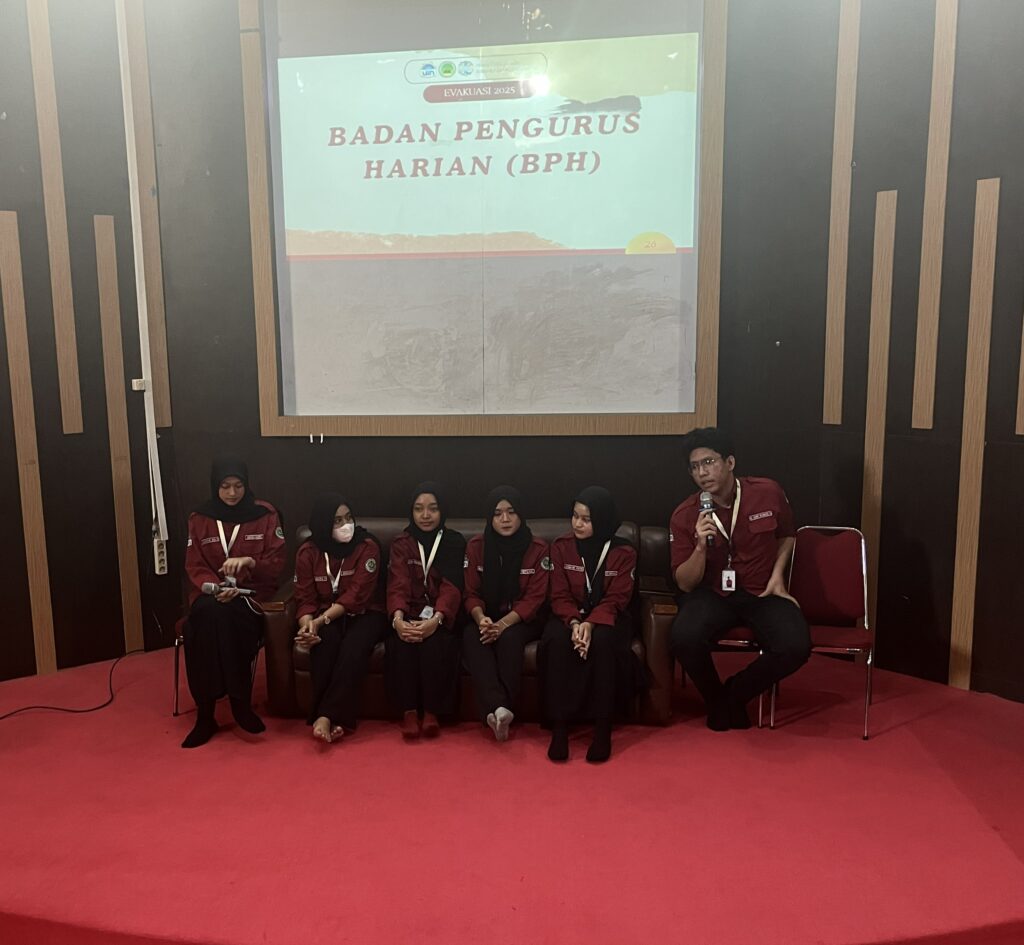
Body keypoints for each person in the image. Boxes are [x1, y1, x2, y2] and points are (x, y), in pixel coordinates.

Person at [669, 427, 811, 731]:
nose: (702, 473)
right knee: (683, 637)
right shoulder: (685, 514)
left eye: (709, 462)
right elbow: (684, 583)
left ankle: (734, 694)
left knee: (795, 646)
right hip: (713, 593)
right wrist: (699, 546)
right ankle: (715, 699)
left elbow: (787, 534)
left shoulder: (767, 492)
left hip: (762, 589)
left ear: (730, 462)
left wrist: (778, 576)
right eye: (695, 467)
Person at [181, 457, 286, 748]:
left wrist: (250, 562)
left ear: (246, 485)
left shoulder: (265, 514)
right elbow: (194, 565)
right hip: (209, 595)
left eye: (238, 486)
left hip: (250, 595)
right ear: (215, 486)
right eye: (225, 486)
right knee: (205, 619)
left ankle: (220, 708)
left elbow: (276, 562)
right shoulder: (199, 518)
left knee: (216, 620)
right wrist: (215, 589)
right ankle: (222, 709)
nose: (232, 493)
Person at [540, 486, 637, 764]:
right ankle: (559, 727)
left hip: (608, 617)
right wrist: (574, 623)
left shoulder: (624, 551)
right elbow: (558, 595)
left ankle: (602, 728)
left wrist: (591, 624)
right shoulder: (561, 547)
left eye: (586, 519)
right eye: (575, 516)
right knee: (556, 640)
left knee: (604, 642)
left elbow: (618, 598)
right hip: (568, 616)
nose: (577, 524)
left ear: (603, 520)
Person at [293, 494, 387, 744]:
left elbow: (357, 595)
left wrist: (320, 620)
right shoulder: (308, 552)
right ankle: (334, 718)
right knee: (324, 644)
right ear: (323, 523)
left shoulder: (367, 547)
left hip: (367, 613)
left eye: (348, 518)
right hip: (326, 616)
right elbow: (304, 598)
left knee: (353, 649)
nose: (346, 525)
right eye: (337, 521)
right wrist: (307, 626)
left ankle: (324, 715)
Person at [462, 486, 550, 741]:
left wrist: (501, 626)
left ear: (521, 515)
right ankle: (499, 708)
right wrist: (482, 619)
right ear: (489, 517)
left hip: (524, 619)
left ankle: (501, 708)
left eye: (511, 512)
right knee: (472, 635)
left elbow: (534, 599)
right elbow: (470, 593)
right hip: (487, 616)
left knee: (510, 638)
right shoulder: (477, 546)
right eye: (498, 513)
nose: (505, 519)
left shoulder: (538, 548)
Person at [385, 482, 466, 740]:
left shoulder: (453, 542)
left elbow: (452, 587)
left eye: (433, 508)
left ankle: (432, 712)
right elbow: (397, 583)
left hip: (441, 614)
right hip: (409, 611)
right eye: (419, 509)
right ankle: (409, 712)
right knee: (403, 641)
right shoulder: (402, 543)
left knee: (437, 642)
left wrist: (438, 619)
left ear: (442, 511)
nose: (426, 515)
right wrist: (398, 619)